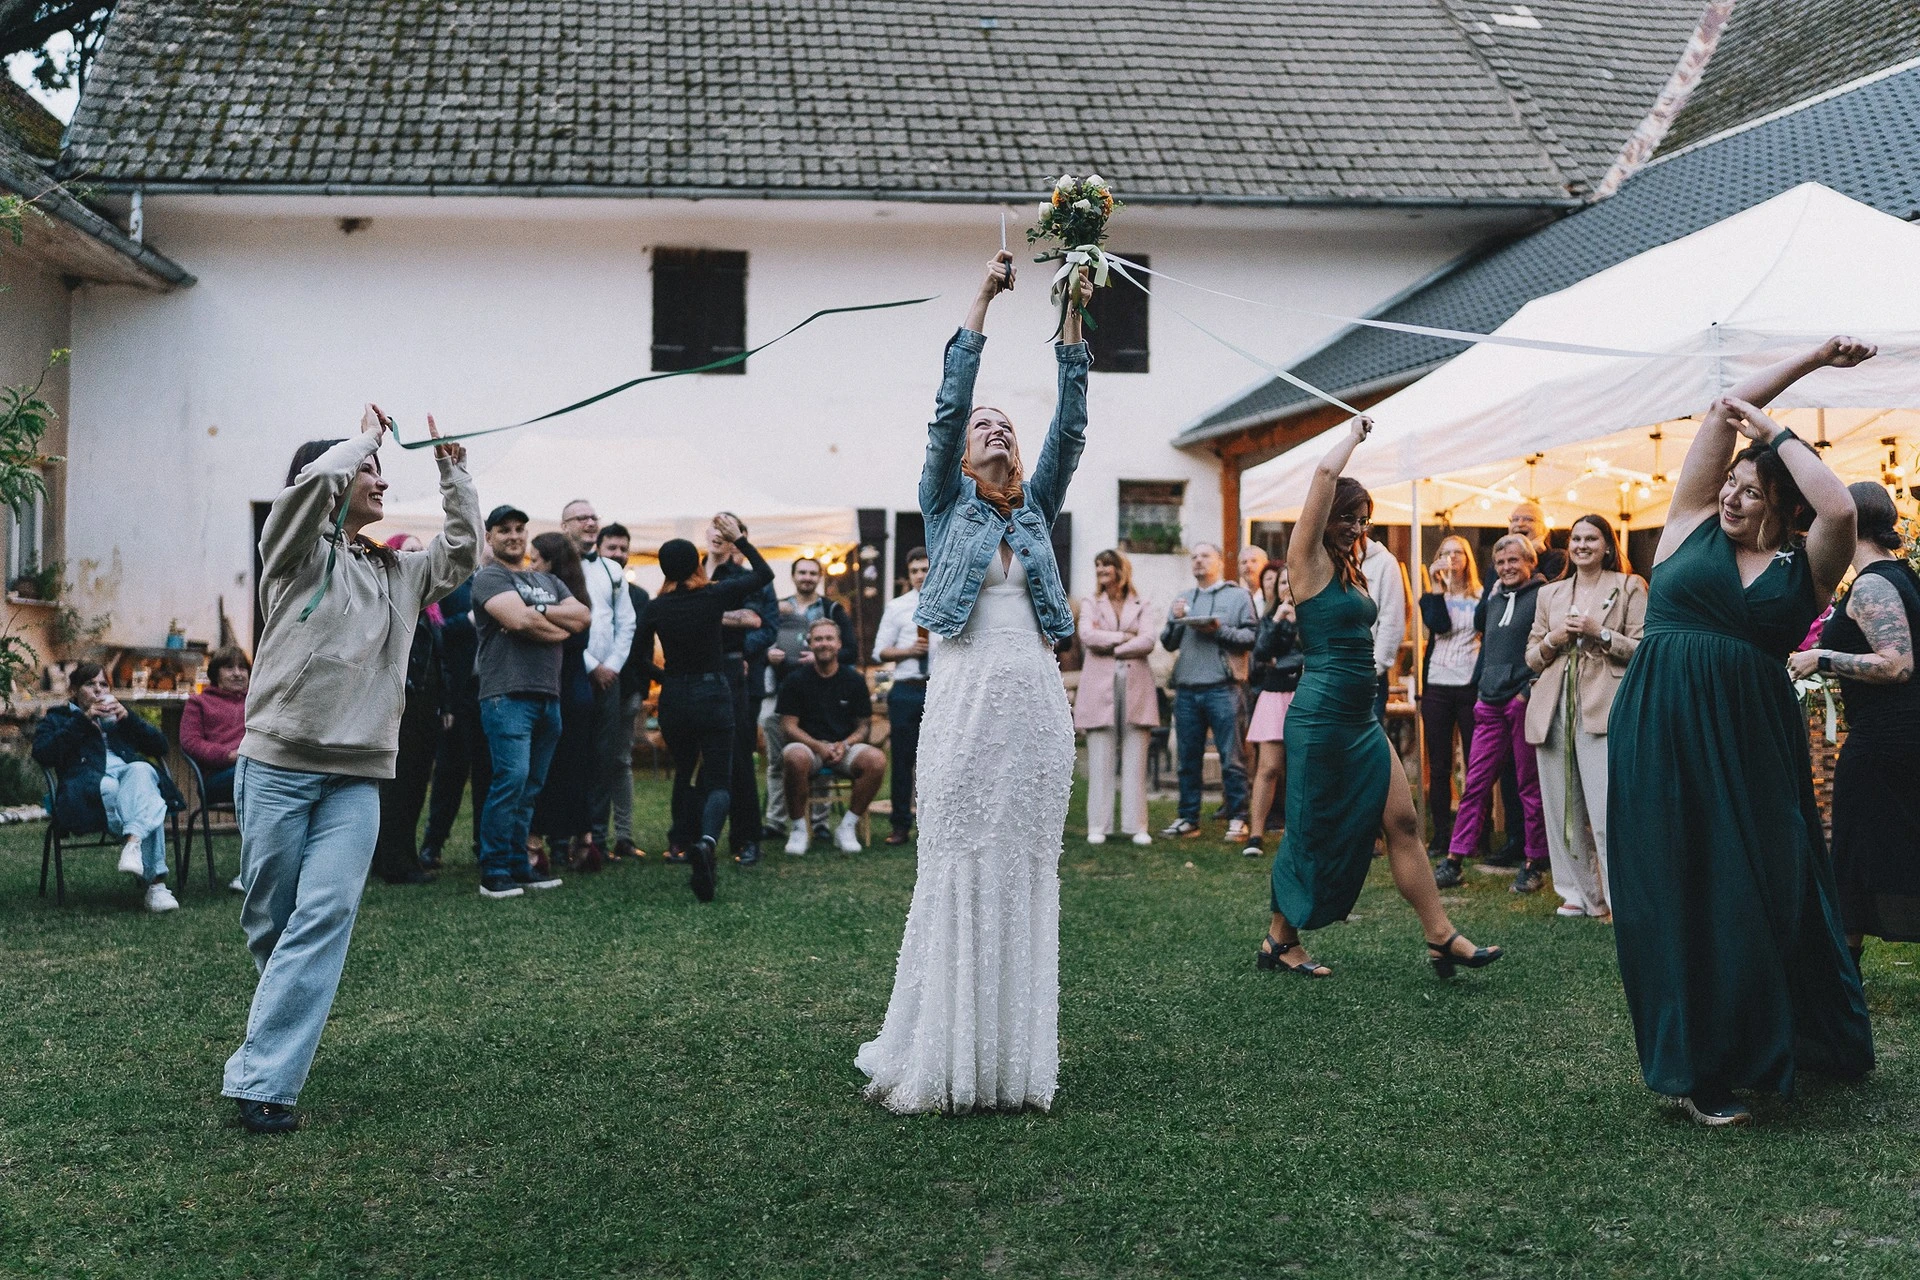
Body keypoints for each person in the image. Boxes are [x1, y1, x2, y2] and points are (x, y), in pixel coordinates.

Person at [1609, 337, 1877, 1127]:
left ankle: (1790, 1035)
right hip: (1661, 724)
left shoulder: (1809, 564)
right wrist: (1813, 360)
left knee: (1757, 886)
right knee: (1674, 889)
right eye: (1730, 483)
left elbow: (1841, 508)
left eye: (1751, 492)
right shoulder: (1688, 522)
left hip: (1751, 738)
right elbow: (1722, 410)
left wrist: (1777, 436)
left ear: (1782, 507)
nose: (1731, 497)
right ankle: (1696, 1071)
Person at [856, 252, 1090, 1114]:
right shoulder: (943, 504)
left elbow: (1070, 426)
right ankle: (944, 1052)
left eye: (1006, 426)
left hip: (1034, 704)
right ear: (963, 452)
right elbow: (948, 405)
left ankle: (1010, 1063)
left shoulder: (1036, 510)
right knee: (959, 858)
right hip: (963, 699)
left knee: (1021, 864)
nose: (995, 430)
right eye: (984, 426)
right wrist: (983, 299)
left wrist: (1071, 313)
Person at [221, 408, 477, 1134]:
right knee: (272, 924)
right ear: (331, 479)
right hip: (278, 764)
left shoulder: (400, 572)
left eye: (379, 467)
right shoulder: (292, 552)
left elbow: (463, 552)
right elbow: (308, 492)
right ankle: (281, 1021)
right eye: (369, 469)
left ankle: (265, 1081)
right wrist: (361, 438)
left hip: (358, 776)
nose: (380, 479)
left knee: (324, 915)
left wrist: (453, 472)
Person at [1258, 416, 1501, 980]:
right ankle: (1279, 939)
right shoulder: (1306, 560)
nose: (1356, 527)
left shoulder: (1355, 568)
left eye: (1363, 519)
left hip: (1359, 715)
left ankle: (1441, 936)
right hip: (1320, 716)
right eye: (1347, 516)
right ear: (1326, 517)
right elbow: (1323, 476)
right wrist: (1352, 435)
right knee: (1311, 829)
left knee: (1403, 820)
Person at [1789, 483, 1920, 971]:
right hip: (1900, 738)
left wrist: (1820, 657)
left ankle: (1844, 980)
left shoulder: (1872, 585)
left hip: (1884, 743)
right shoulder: (1902, 576)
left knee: (1853, 856)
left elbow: (1897, 664)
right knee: (1878, 853)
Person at [634, 514, 774, 901]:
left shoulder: (655, 608)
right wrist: (740, 540)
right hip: (713, 694)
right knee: (718, 780)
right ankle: (707, 841)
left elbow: (637, 660)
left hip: (675, 699)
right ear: (696, 565)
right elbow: (764, 575)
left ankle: (687, 838)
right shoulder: (712, 595)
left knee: (688, 773)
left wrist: (666, 678)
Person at [1525, 515, 1645, 920]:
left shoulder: (1629, 586)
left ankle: (1618, 895)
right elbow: (1531, 656)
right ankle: (1577, 892)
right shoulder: (1550, 593)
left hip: (1604, 704)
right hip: (1554, 704)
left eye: (1591, 538)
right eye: (1576, 538)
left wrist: (1600, 632)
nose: (1581, 545)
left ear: (1607, 545)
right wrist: (1554, 638)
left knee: (1607, 807)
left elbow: (1645, 647)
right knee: (1562, 809)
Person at [471, 504, 590, 899]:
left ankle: (520, 866)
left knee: (530, 787)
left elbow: (582, 617)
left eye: (519, 529)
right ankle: (494, 871)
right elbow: (518, 621)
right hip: (507, 695)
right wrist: (554, 626)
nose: (514, 536)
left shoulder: (547, 580)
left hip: (547, 696)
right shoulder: (490, 577)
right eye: (504, 529)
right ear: (490, 537)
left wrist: (537, 610)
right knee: (511, 781)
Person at [1434, 535, 1550, 892]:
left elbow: (1550, 649)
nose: (1506, 567)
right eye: (1500, 562)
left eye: (1513, 560)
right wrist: (1482, 687)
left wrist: (1527, 692)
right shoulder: (1495, 596)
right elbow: (1485, 638)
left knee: (1529, 785)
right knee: (1476, 783)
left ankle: (1534, 862)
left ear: (1530, 562)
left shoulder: (1544, 596)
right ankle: (1455, 859)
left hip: (1521, 700)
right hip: (1489, 700)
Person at [34, 660, 184, 913]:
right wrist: (83, 721)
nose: (98, 690)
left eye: (103, 684)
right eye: (90, 684)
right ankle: (156, 886)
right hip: (86, 785)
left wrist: (130, 719)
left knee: (143, 770)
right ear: (74, 690)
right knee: (139, 797)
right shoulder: (58, 717)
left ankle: (133, 843)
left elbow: (160, 747)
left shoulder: (119, 716)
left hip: (126, 777)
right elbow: (43, 753)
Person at [1158, 542, 1256, 843]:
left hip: (1223, 687)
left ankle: (1238, 818)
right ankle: (1188, 818)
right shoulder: (1183, 598)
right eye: (1194, 557)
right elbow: (1168, 643)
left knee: (1232, 758)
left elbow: (1251, 637)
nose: (1198, 561)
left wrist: (1218, 630)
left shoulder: (1237, 597)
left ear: (1220, 562)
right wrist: (1175, 620)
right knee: (1187, 760)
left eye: (1205, 556)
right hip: (1187, 689)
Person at [761, 554, 857, 841]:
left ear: (819, 577)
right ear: (793, 576)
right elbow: (760, 640)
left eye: (812, 573)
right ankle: (776, 821)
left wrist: (819, 657)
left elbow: (851, 650)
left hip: (818, 693)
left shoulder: (832, 609)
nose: (807, 577)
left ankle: (820, 823)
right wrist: (768, 654)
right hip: (779, 691)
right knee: (777, 760)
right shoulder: (777, 608)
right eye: (802, 572)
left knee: (822, 752)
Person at [369, 533, 447, 886]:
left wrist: (444, 704)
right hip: (398, 707)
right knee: (396, 788)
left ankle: (403, 856)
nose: (419, 557)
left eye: (422, 551)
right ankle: (393, 862)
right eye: (410, 551)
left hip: (425, 709)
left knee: (415, 786)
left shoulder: (430, 608)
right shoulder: (386, 600)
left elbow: (439, 662)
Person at [565, 500, 639, 864]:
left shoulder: (612, 569)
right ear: (565, 525)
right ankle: (564, 838)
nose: (590, 522)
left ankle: (597, 839)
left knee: (604, 757)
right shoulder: (558, 567)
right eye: (582, 517)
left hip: (611, 678)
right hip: (571, 672)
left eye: (594, 517)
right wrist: (591, 665)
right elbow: (562, 625)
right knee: (570, 755)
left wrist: (611, 666)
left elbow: (626, 622)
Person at [1074, 548, 1159, 846]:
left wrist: (1112, 648)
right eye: (1098, 566)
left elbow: (1148, 640)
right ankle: (1099, 825)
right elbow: (1087, 636)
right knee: (1100, 757)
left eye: (1106, 566)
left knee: (1136, 758)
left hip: (1136, 686)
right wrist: (1124, 638)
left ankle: (1137, 826)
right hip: (1099, 687)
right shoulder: (1091, 602)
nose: (1101, 571)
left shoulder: (1141, 603)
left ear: (1120, 570)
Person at [528, 531, 600, 872]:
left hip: (557, 688)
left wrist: (535, 613)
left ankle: (535, 843)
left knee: (546, 770)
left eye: (535, 559)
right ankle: (584, 842)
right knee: (575, 770)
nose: (530, 565)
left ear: (551, 562)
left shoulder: (549, 597)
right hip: (577, 689)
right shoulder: (578, 596)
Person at [778, 617, 883, 853]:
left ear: (839, 644)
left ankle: (847, 827)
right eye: (818, 639)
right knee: (794, 757)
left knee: (876, 760)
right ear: (810, 644)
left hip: (843, 747)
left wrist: (845, 744)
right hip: (808, 747)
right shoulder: (795, 680)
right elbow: (788, 726)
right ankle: (798, 829)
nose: (824, 643)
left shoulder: (854, 680)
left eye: (829, 638)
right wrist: (818, 746)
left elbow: (863, 726)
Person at [707, 513, 776, 865]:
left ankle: (746, 837)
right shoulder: (693, 573)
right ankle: (695, 837)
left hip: (740, 674)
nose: (720, 534)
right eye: (715, 527)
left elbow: (762, 624)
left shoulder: (745, 577)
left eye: (728, 530)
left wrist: (743, 654)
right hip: (700, 673)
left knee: (739, 758)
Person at [1417, 535, 1482, 856]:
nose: (1453, 557)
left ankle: (1476, 836)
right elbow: (1440, 626)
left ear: (1468, 558)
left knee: (1475, 763)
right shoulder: (1430, 598)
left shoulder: (1482, 596)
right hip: (1438, 685)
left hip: (1470, 684)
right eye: (1446, 552)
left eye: (1458, 552)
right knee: (1440, 765)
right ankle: (1442, 835)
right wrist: (1436, 586)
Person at [419, 573, 487, 870]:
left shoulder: (503, 582)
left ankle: (484, 844)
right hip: (460, 690)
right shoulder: (452, 582)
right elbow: (436, 629)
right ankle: (433, 844)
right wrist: (469, 620)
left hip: (492, 689)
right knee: (450, 771)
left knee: (489, 771)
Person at [594, 523, 652, 859]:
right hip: (591, 686)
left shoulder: (640, 596)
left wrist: (641, 689)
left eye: (623, 549)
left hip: (627, 689)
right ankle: (590, 837)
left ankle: (624, 836)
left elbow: (644, 648)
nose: (618, 554)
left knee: (621, 761)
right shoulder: (586, 586)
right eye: (611, 548)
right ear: (598, 549)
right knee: (591, 760)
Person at [1242, 564, 1302, 859]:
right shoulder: (1268, 618)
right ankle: (1255, 834)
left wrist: (1284, 659)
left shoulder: (1312, 618)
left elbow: (1311, 653)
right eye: (1281, 583)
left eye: (1291, 581)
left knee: (1301, 770)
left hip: (1303, 693)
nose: (1285, 587)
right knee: (1268, 767)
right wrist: (1278, 621)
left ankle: (1298, 834)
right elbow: (1261, 654)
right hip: (1274, 695)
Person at [873, 546, 931, 846]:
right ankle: (900, 825)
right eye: (914, 571)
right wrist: (908, 651)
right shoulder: (897, 607)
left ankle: (936, 824)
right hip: (907, 687)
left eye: (925, 569)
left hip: (939, 688)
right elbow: (880, 651)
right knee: (902, 760)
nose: (920, 575)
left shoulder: (949, 603)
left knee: (939, 759)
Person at [182, 646, 250, 805]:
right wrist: (229, 755)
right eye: (229, 668)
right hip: (217, 777)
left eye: (242, 668)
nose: (237, 673)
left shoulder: (256, 702)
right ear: (215, 673)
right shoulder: (198, 702)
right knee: (261, 776)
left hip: (255, 770)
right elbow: (190, 742)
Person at [1359, 533, 1408, 725]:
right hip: (1334, 672)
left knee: (1367, 735)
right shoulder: (1330, 560)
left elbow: (1392, 620)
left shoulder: (1384, 562)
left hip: (1368, 673)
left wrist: (1375, 667)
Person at [1508, 500, 1567, 582]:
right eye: (1515, 519)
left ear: (1544, 530)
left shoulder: (1558, 558)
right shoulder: (1499, 560)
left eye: (1529, 519)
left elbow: (1543, 588)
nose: (1520, 524)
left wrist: (1529, 556)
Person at [1239, 544, 1271, 617]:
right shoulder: (1236, 597)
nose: (1248, 566)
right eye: (1244, 562)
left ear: (1265, 565)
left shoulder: (1273, 596)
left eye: (1254, 561)